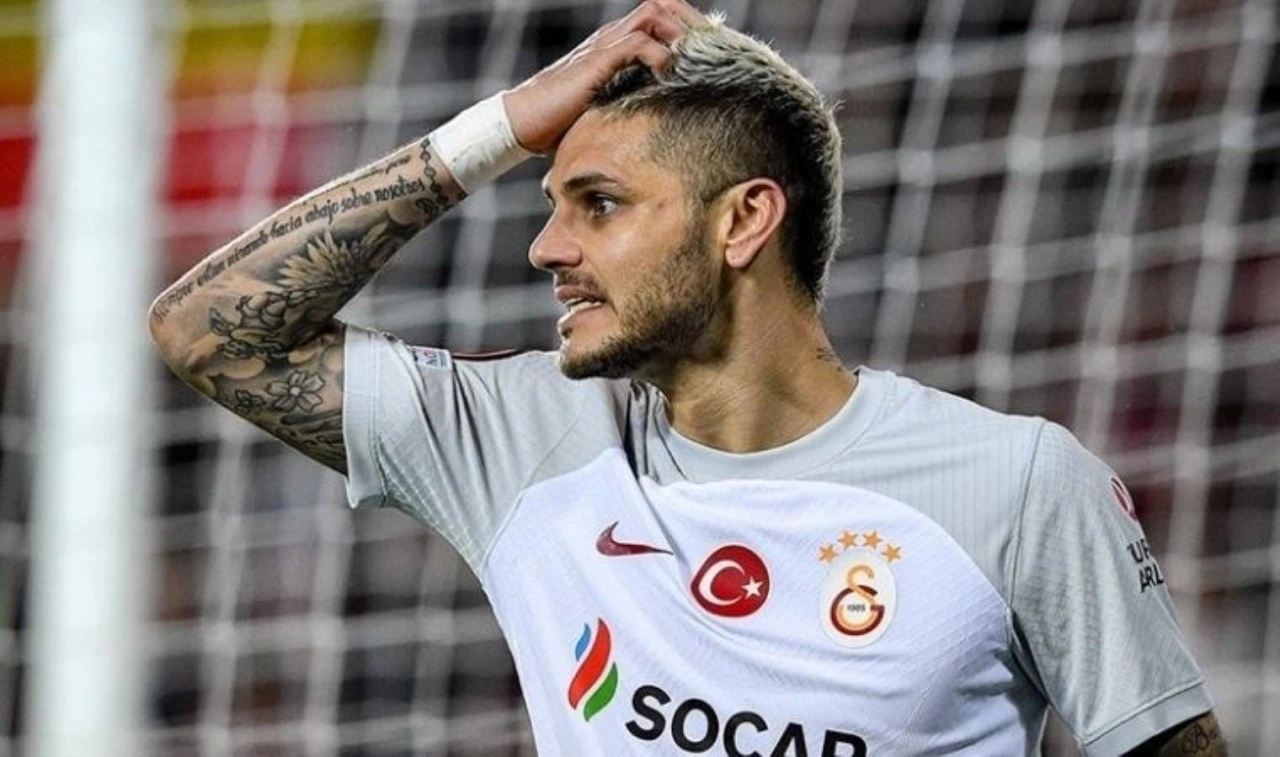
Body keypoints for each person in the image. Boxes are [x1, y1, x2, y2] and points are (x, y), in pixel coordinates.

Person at [149, 1, 1224, 754]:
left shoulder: (1019, 482)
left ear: (743, 220)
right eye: (551, 205)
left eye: (600, 204)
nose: (546, 249)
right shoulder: (525, 438)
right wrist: (499, 128)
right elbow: (208, 333)